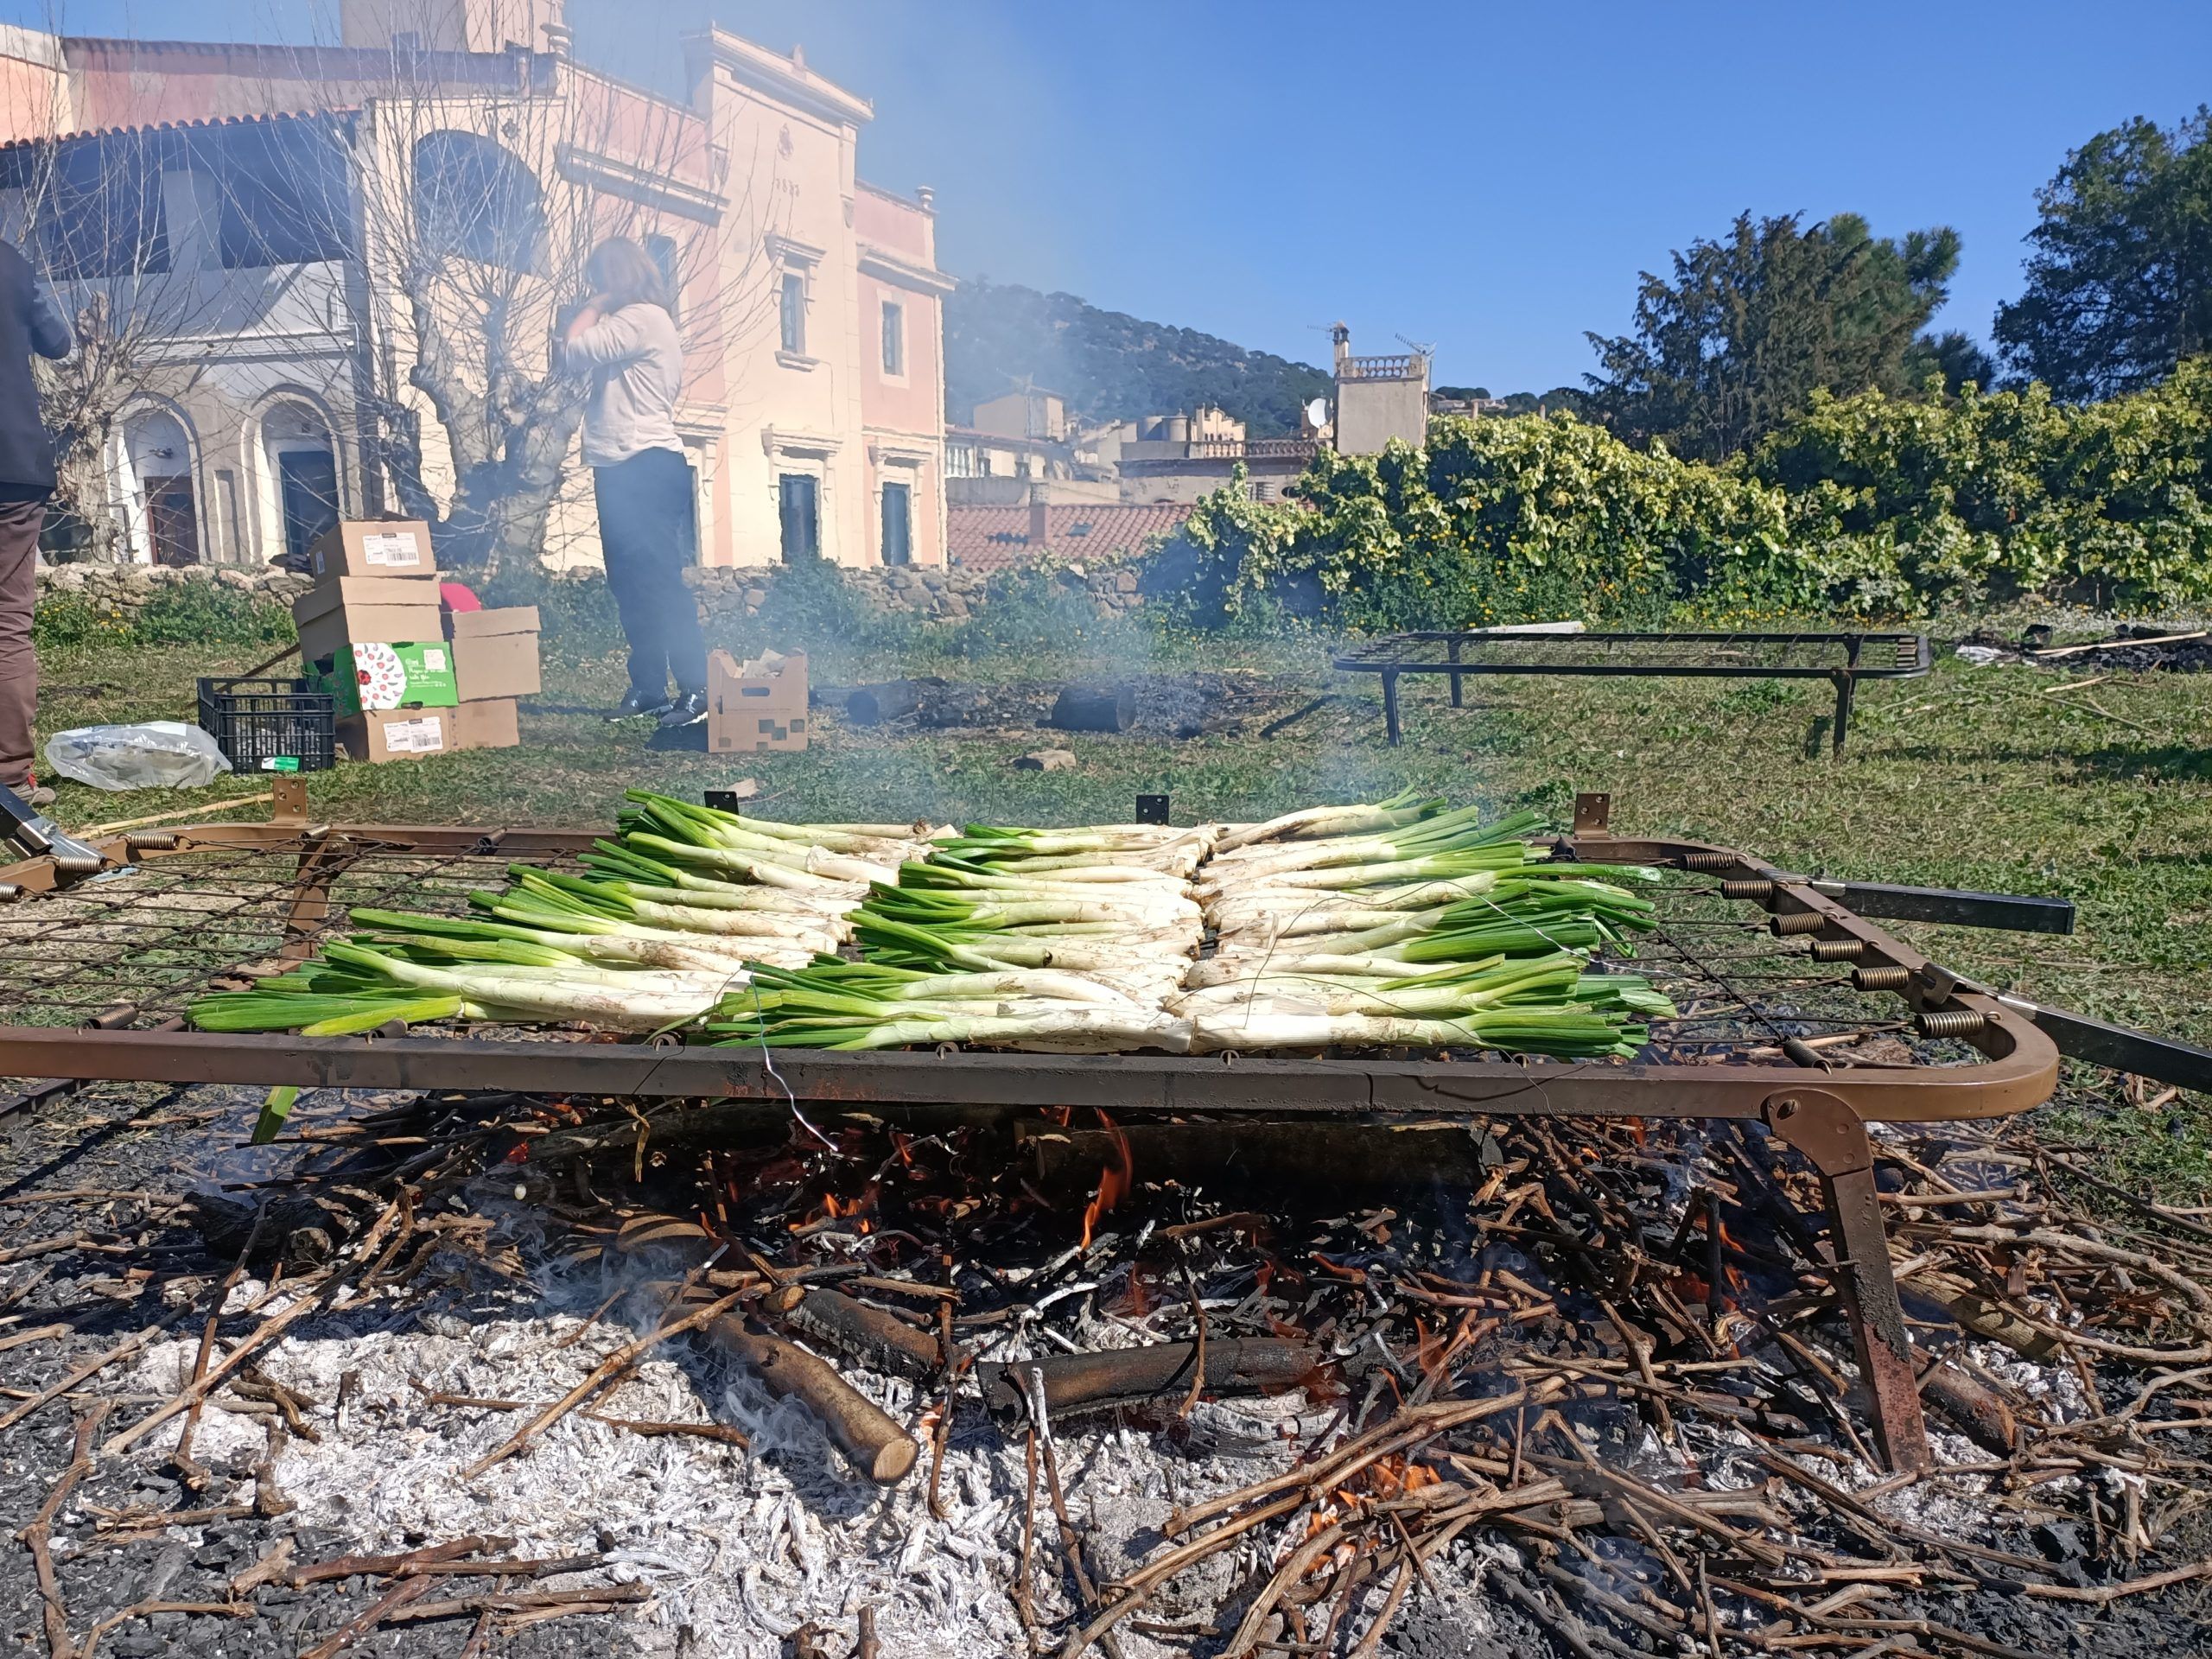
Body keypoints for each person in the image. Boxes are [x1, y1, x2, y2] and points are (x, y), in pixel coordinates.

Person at [562, 238, 709, 730]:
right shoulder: (638, 323)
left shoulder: (642, 317)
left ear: (614, 278)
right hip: (621, 466)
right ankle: (648, 687)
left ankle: (698, 688)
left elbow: (573, 349)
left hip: (643, 463)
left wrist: (595, 305)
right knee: (631, 585)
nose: (595, 290)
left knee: (659, 584)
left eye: (599, 280)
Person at [0, 238, 71, 804]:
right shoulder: (15, 262)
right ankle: (9, 773)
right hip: (15, 466)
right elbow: (60, 341)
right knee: (7, 623)